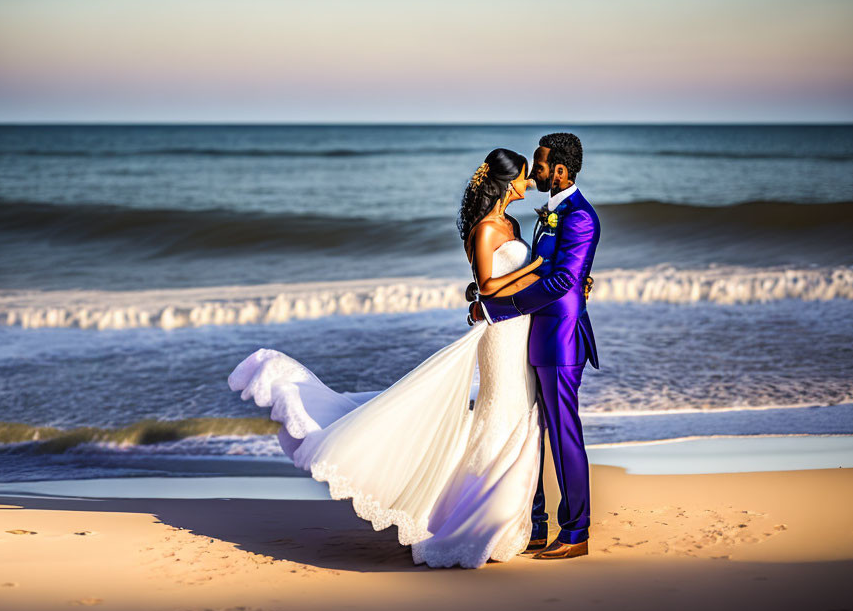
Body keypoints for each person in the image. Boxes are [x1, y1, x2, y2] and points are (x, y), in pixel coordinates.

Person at [228, 148, 547, 568]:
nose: (527, 185)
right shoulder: (486, 228)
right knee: (500, 413)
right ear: (506, 183)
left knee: (521, 413)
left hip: (518, 329)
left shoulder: (511, 223)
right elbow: (487, 287)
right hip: (498, 335)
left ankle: (500, 518)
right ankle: (475, 520)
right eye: (522, 178)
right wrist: (538, 267)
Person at [471, 132, 599, 560]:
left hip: (560, 342)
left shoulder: (580, 217)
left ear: (559, 171)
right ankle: (536, 526)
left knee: (565, 437)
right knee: (533, 433)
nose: (536, 171)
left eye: (541, 165)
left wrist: (497, 309)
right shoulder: (550, 214)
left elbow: (562, 281)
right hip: (533, 337)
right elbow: (539, 271)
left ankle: (576, 532)